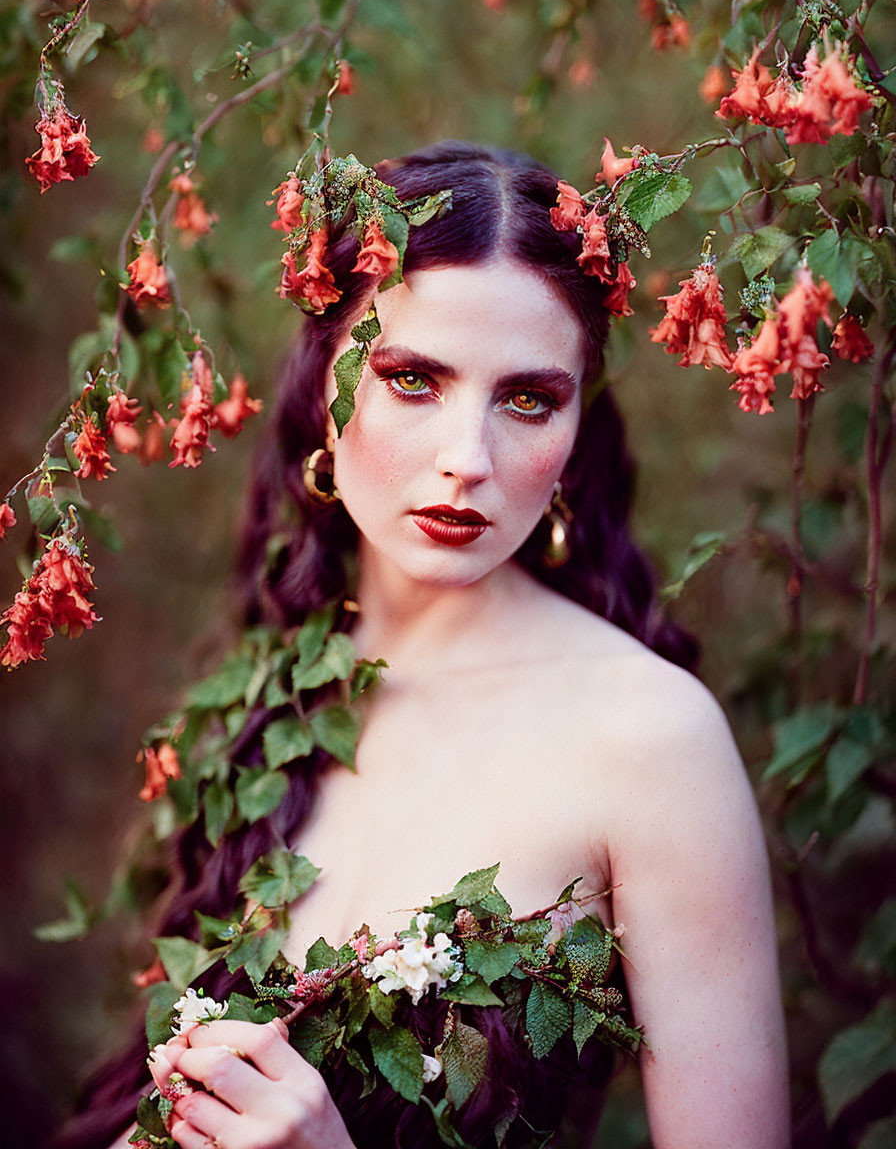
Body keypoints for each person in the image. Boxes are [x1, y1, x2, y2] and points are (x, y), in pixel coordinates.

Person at [55, 142, 788, 1149]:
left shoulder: (648, 740)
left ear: (577, 428)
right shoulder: (272, 685)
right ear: (324, 384)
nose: (465, 462)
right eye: (410, 379)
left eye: (526, 399)